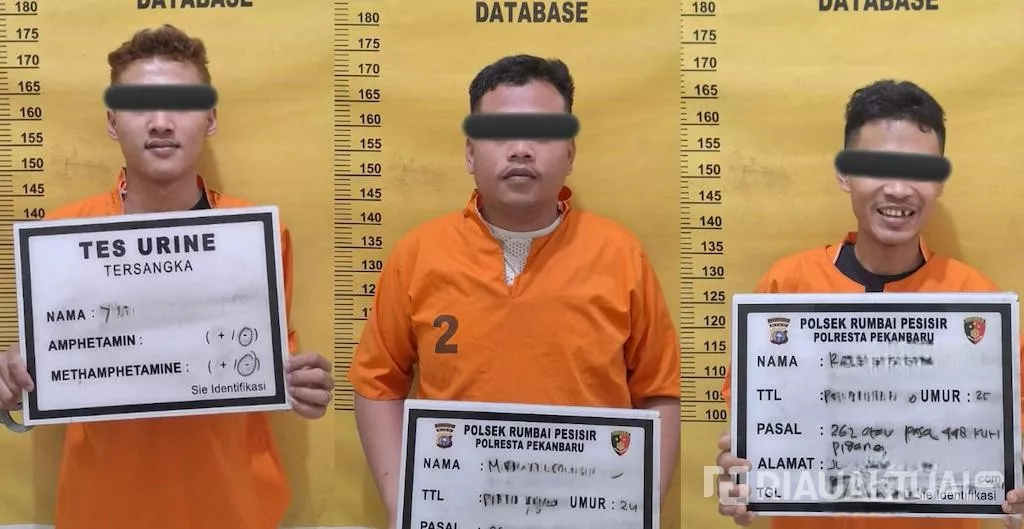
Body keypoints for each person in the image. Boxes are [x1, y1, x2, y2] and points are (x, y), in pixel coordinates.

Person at [0, 24, 333, 529]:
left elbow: (269, 365)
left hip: (233, 509)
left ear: (210, 118)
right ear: (112, 122)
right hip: (101, 512)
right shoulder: (60, 238)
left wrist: (300, 385)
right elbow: (36, 384)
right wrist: (12, 387)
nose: (160, 123)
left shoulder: (256, 237)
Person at [347, 54, 681, 528]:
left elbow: (659, 392)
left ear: (570, 153)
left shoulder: (621, 255)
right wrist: (402, 499)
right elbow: (378, 383)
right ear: (470, 153)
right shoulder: (418, 254)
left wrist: (638, 506)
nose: (521, 150)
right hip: (457, 514)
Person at [715, 79, 1024, 529]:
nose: (898, 189)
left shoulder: (977, 303)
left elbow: (1010, 444)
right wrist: (737, 489)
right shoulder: (785, 289)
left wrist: (1016, 494)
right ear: (844, 174)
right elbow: (753, 442)